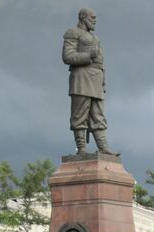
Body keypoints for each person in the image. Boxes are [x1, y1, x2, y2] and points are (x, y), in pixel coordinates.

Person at [62, 8, 119, 156]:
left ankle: (103, 147)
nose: (95, 20)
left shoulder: (96, 38)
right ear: (83, 17)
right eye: (92, 18)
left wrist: (103, 82)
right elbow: (67, 57)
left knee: (98, 116)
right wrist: (88, 55)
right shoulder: (73, 32)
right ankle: (81, 149)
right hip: (81, 79)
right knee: (79, 115)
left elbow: (101, 64)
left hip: (97, 81)